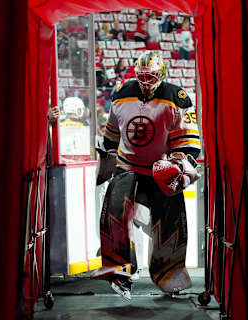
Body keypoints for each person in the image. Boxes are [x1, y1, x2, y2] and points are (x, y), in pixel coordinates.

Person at [91, 51, 201, 301]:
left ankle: (169, 272)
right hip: (128, 167)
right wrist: (107, 154)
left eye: (150, 76)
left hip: (161, 169)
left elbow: (189, 143)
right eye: (141, 76)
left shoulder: (178, 97)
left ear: (161, 74)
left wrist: (178, 165)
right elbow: (111, 134)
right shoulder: (121, 93)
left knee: (169, 223)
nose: (145, 81)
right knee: (115, 216)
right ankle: (120, 270)